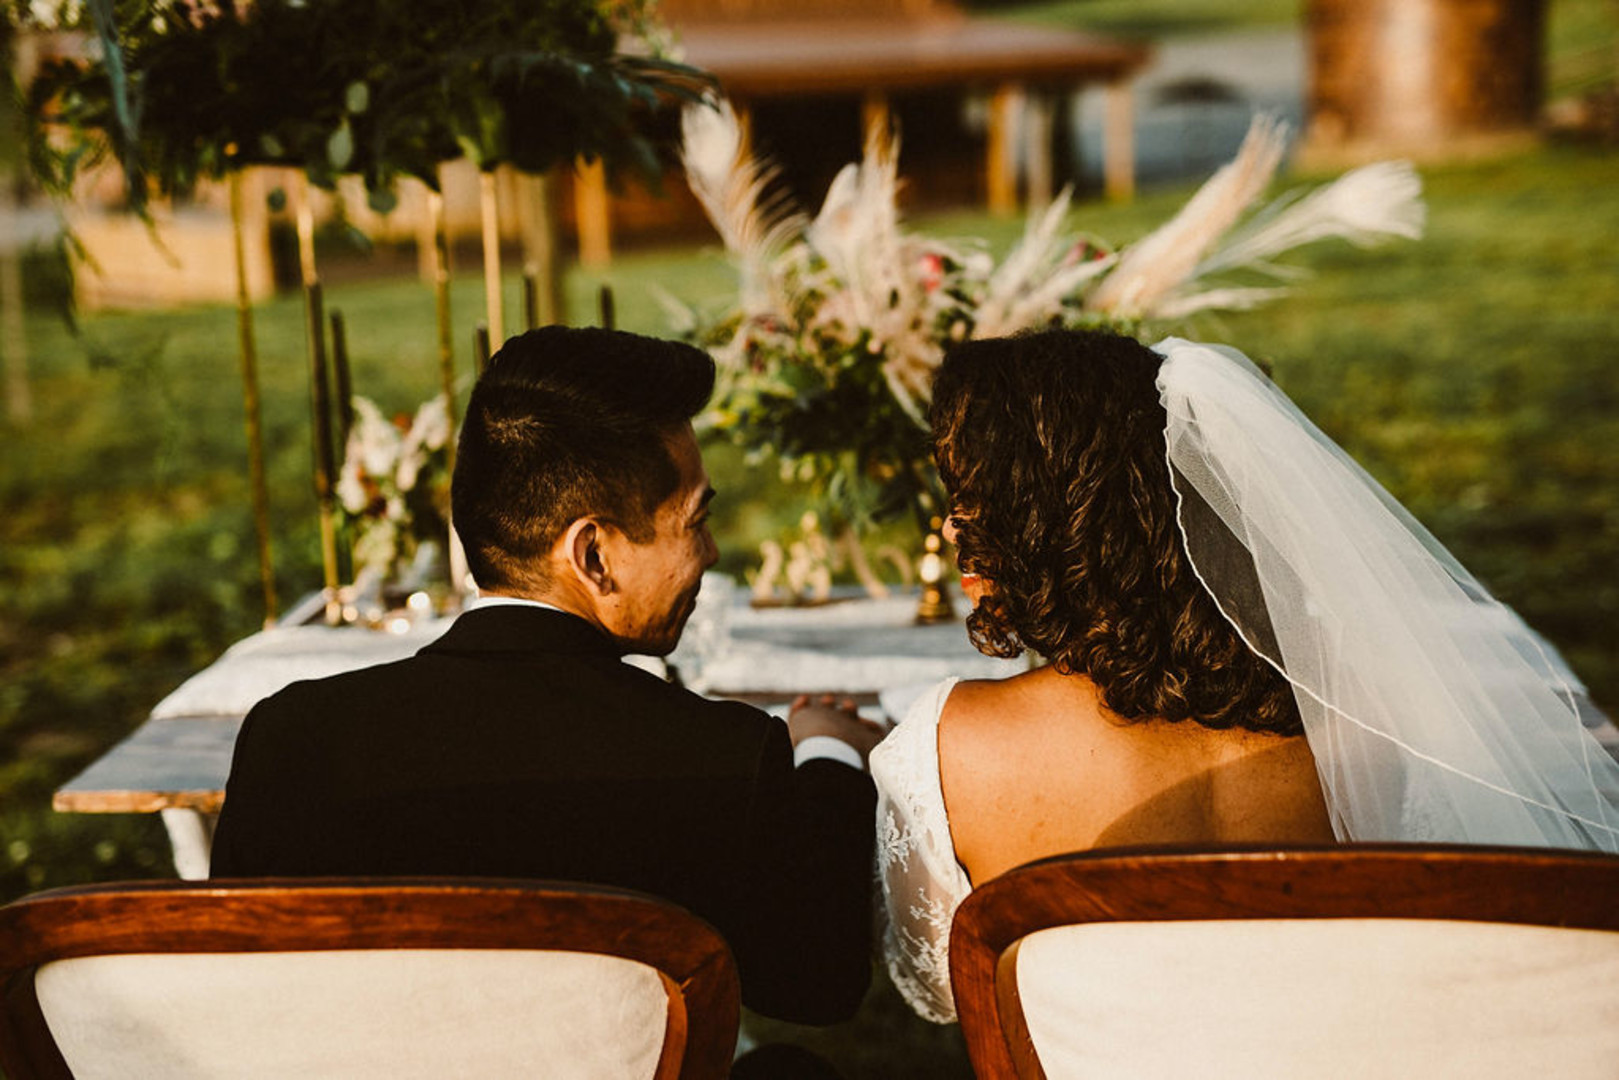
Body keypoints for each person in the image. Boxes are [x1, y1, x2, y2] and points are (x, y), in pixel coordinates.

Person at [873, 328, 1619, 1024]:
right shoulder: (1363, 717)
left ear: (1045, 519)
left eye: (970, 498)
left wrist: (833, 749)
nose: (950, 526)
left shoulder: (950, 743)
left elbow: (939, 989)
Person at [212, 326, 885, 1029]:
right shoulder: (719, 755)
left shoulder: (291, 737)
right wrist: (828, 751)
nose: (711, 552)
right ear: (592, 554)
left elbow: (241, 994)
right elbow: (819, 985)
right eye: (695, 520)